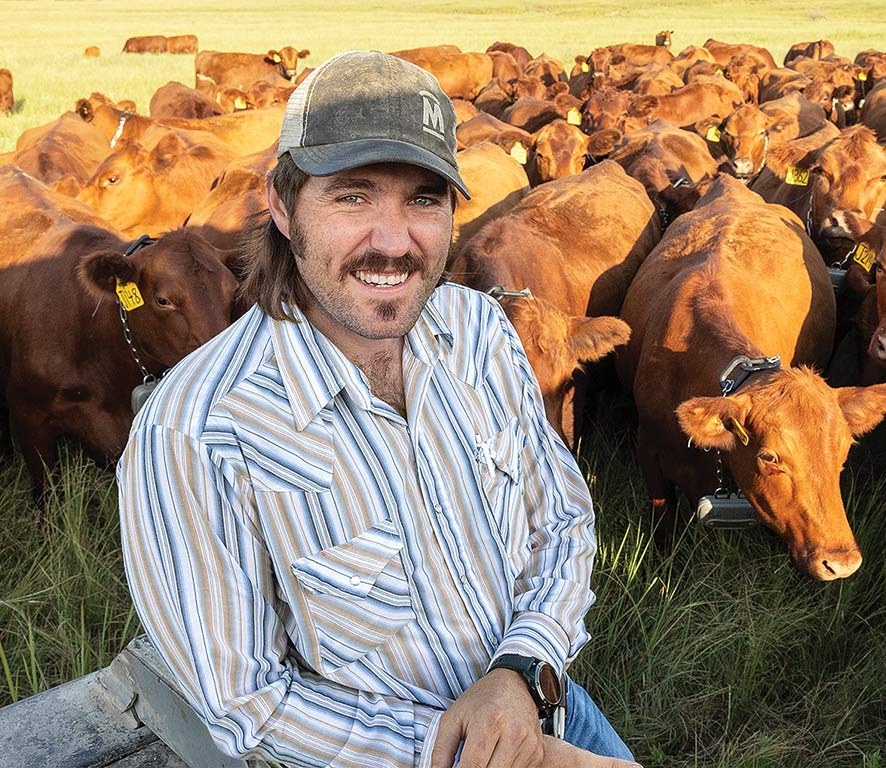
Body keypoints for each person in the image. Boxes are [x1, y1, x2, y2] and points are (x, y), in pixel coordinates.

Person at [118, 50, 640, 768]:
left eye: (424, 199)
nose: (394, 242)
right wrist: (470, 751)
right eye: (353, 196)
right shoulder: (197, 431)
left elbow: (563, 519)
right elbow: (249, 700)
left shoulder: (482, 333)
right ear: (280, 204)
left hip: (547, 704)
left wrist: (522, 674)